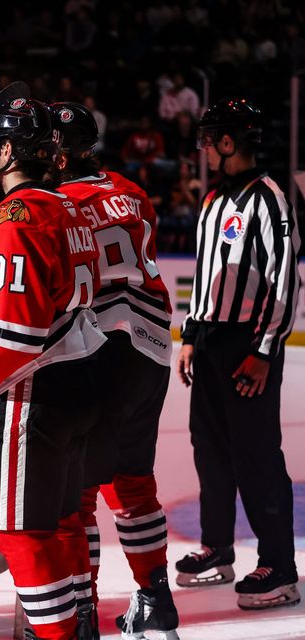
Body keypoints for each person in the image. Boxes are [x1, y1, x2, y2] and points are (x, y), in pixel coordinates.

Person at [0, 96, 106, 640]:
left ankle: (56, 634)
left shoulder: (12, 219)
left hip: (34, 391)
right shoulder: (70, 207)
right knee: (61, 521)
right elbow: (43, 293)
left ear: (7, 152)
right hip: (80, 375)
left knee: (16, 533)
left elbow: (15, 337)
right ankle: (80, 623)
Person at [51, 102, 180, 640]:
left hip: (102, 348)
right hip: (152, 347)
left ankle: (84, 611)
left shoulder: (59, 203)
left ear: (59, 155)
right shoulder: (131, 190)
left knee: (76, 493)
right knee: (132, 482)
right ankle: (156, 600)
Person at [176, 98, 301, 611]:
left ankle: (280, 567)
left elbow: (285, 281)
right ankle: (218, 547)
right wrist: (190, 334)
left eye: (209, 140)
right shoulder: (213, 200)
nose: (203, 149)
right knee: (209, 449)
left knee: (256, 454)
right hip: (209, 341)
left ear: (229, 142)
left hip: (246, 344)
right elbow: (205, 274)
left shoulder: (270, 199)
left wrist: (264, 351)